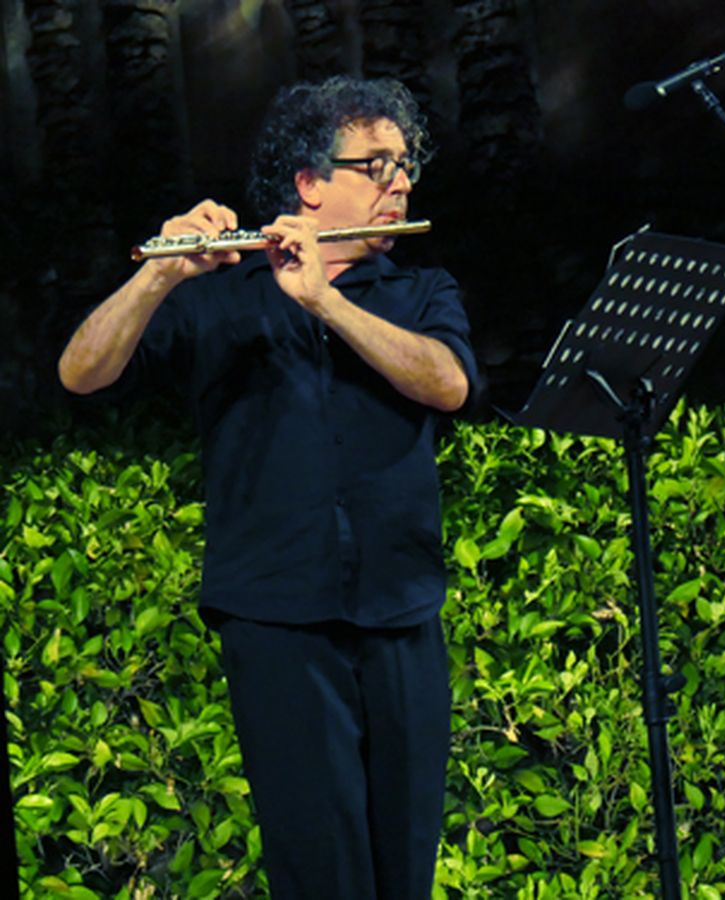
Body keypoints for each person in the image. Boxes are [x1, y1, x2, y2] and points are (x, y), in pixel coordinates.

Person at [58, 76, 478, 897]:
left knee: (407, 873)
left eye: (405, 165)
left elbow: (449, 384)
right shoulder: (218, 297)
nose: (400, 183)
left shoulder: (421, 293)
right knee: (319, 874)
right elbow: (80, 373)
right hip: (278, 618)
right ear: (310, 182)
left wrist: (325, 301)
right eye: (377, 164)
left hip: (401, 609)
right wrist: (161, 275)